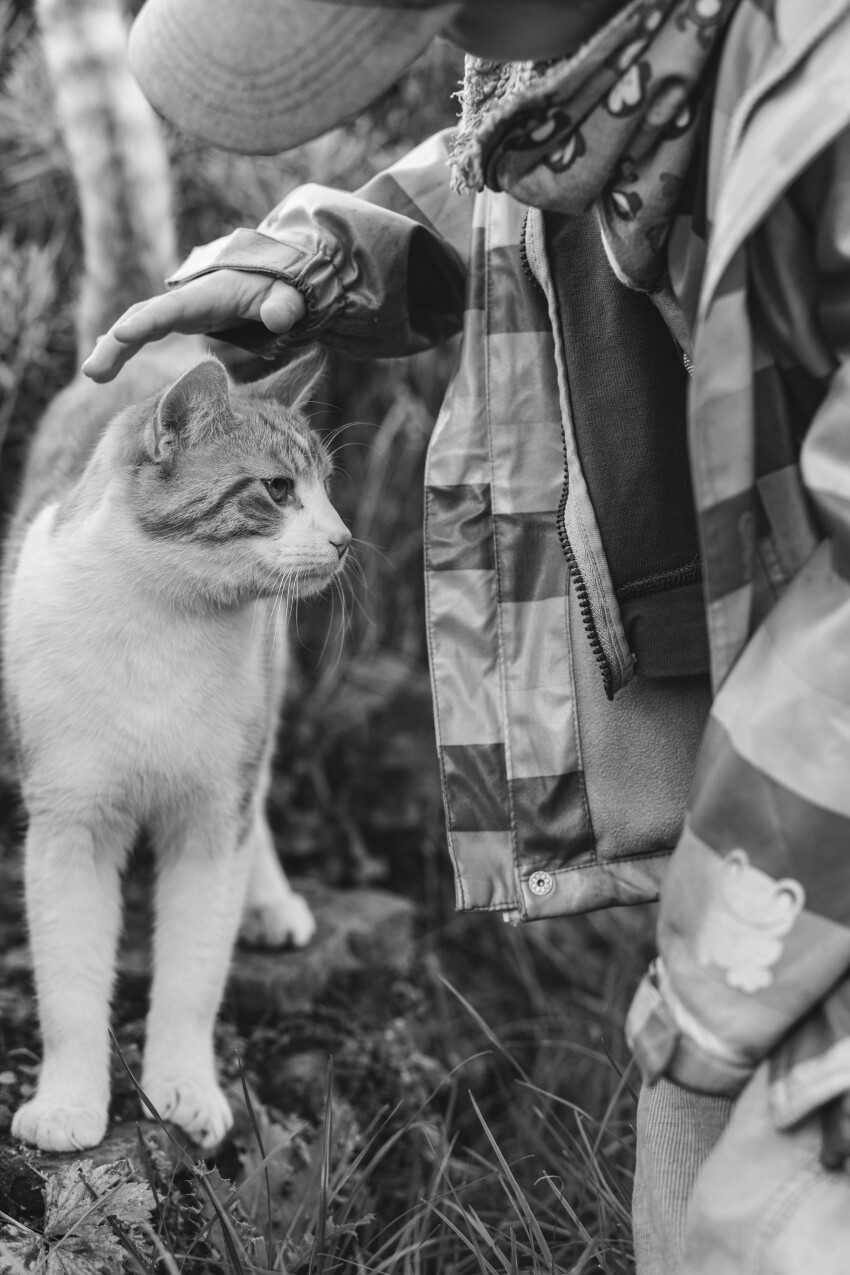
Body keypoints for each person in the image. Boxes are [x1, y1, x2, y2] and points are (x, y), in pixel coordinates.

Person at [82, 1, 850, 1270]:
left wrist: (754, 921)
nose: (460, 68)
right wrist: (330, 252)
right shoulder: (609, 64)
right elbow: (534, 176)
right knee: (696, 1100)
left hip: (815, 793)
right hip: (768, 734)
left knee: (771, 1204)